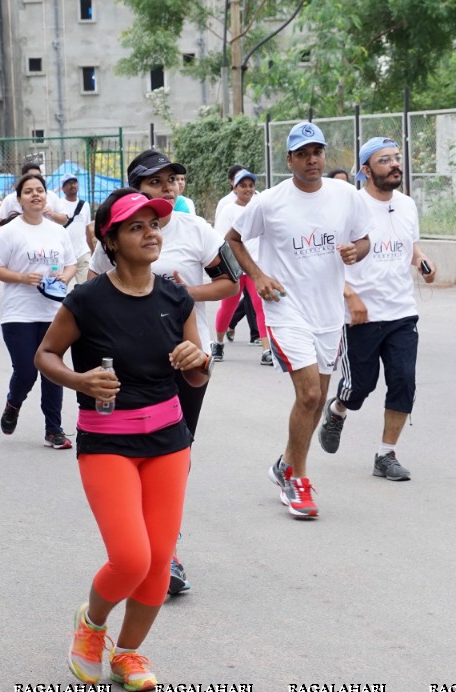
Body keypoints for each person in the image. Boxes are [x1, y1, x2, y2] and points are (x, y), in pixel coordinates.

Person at [37, 188, 211, 692]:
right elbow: (46, 355)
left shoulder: (175, 296)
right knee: (131, 557)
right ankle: (91, 626)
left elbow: (198, 373)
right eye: (136, 227)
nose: (150, 233)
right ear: (109, 239)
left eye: (154, 225)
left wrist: (198, 363)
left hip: (168, 441)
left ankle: (129, 652)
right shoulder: (87, 300)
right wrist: (80, 380)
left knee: (158, 563)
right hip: (108, 441)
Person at [92, 147, 237, 591]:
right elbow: (97, 292)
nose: (168, 190)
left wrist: (181, 292)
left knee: (176, 450)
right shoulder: (115, 239)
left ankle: (165, 550)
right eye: (156, 183)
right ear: (136, 188)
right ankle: (135, 547)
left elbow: (231, 281)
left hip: (189, 358)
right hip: (133, 362)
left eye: (172, 181)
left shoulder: (199, 231)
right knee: (132, 452)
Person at [225, 122, 374, 519]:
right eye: (303, 154)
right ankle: (297, 481)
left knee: (317, 399)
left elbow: (364, 239)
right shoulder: (269, 202)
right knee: (309, 395)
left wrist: (356, 252)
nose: (312, 160)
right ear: (289, 159)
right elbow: (233, 239)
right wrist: (257, 277)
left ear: (325, 155)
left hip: (328, 312)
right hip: (285, 307)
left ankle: (285, 464)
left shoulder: (346, 195)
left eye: (318, 152)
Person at [320, 138, 435, 481]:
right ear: (367, 171)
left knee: (403, 381)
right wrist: (349, 295)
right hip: (360, 315)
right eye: (385, 160)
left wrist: (422, 260)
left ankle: (386, 454)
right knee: (359, 388)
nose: (395, 164)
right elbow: (326, 262)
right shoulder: (349, 206)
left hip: (401, 311)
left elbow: (410, 246)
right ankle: (338, 410)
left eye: (397, 158)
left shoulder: (407, 205)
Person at [0, 172, 78, 449]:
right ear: (19, 199)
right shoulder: (10, 231)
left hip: (53, 312)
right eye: (29, 191)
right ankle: (13, 404)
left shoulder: (58, 231)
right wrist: (22, 278)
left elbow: (72, 263)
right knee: (26, 371)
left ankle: (54, 430)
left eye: (40, 190)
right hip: (19, 314)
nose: (35, 195)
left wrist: (65, 276)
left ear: (47, 196)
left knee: (54, 372)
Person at [212, 169, 271, 365]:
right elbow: (220, 240)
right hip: (234, 269)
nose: (247, 189)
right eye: (242, 186)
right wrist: (224, 268)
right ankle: (218, 343)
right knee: (227, 308)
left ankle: (266, 350)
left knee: (261, 306)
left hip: (255, 267)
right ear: (234, 188)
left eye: (251, 186)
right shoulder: (228, 210)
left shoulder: (259, 207)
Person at [0, 163, 69, 225]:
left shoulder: (51, 195)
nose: (35, 195)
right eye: (27, 192)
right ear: (19, 200)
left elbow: (65, 219)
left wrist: (52, 214)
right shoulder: (11, 199)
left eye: (38, 176)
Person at [54, 173, 94, 285]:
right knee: (60, 286)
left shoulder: (85, 205)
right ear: (63, 188)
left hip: (82, 253)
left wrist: (92, 250)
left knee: (86, 287)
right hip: (63, 254)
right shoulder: (58, 205)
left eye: (74, 182)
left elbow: (87, 230)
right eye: (68, 183)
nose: (72, 185)